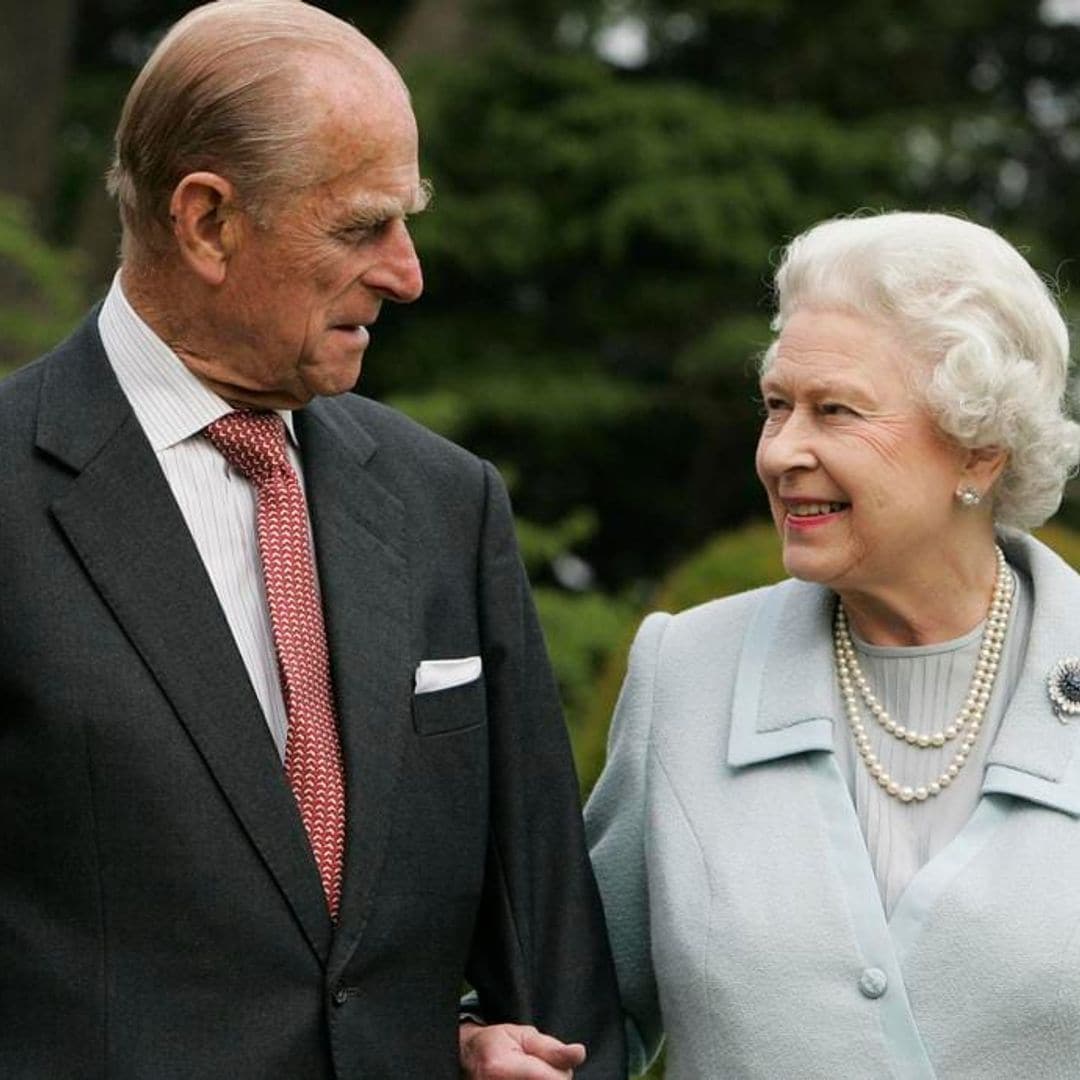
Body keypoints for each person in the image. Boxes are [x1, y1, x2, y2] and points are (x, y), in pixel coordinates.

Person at [0, 3, 625, 1077]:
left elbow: (554, 964)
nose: (407, 272)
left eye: (407, 220)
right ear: (207, 221)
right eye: (359, 228)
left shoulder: (447, 503)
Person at [465, 210, 1080, 1079]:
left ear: (978, 453)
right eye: (777, 407)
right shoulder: (687, 673)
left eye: (836, 411)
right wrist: (481, 1041)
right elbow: (572, 1008)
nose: (784, 451)